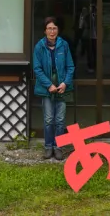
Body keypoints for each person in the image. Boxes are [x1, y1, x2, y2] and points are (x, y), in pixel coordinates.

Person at [32, 16, 75, 161]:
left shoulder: (64, 45)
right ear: (45, 31)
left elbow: (70, 66)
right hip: (47, 87)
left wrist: (65, 83)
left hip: (62, 86)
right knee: (49, 119)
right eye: (49, 28)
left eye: (54, 28)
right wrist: (48, 85)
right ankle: (48, 147)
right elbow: (37, 69)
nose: (52, 31)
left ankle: (58, 148)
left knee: (60, 120)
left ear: (58, 30)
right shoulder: (39, 46)